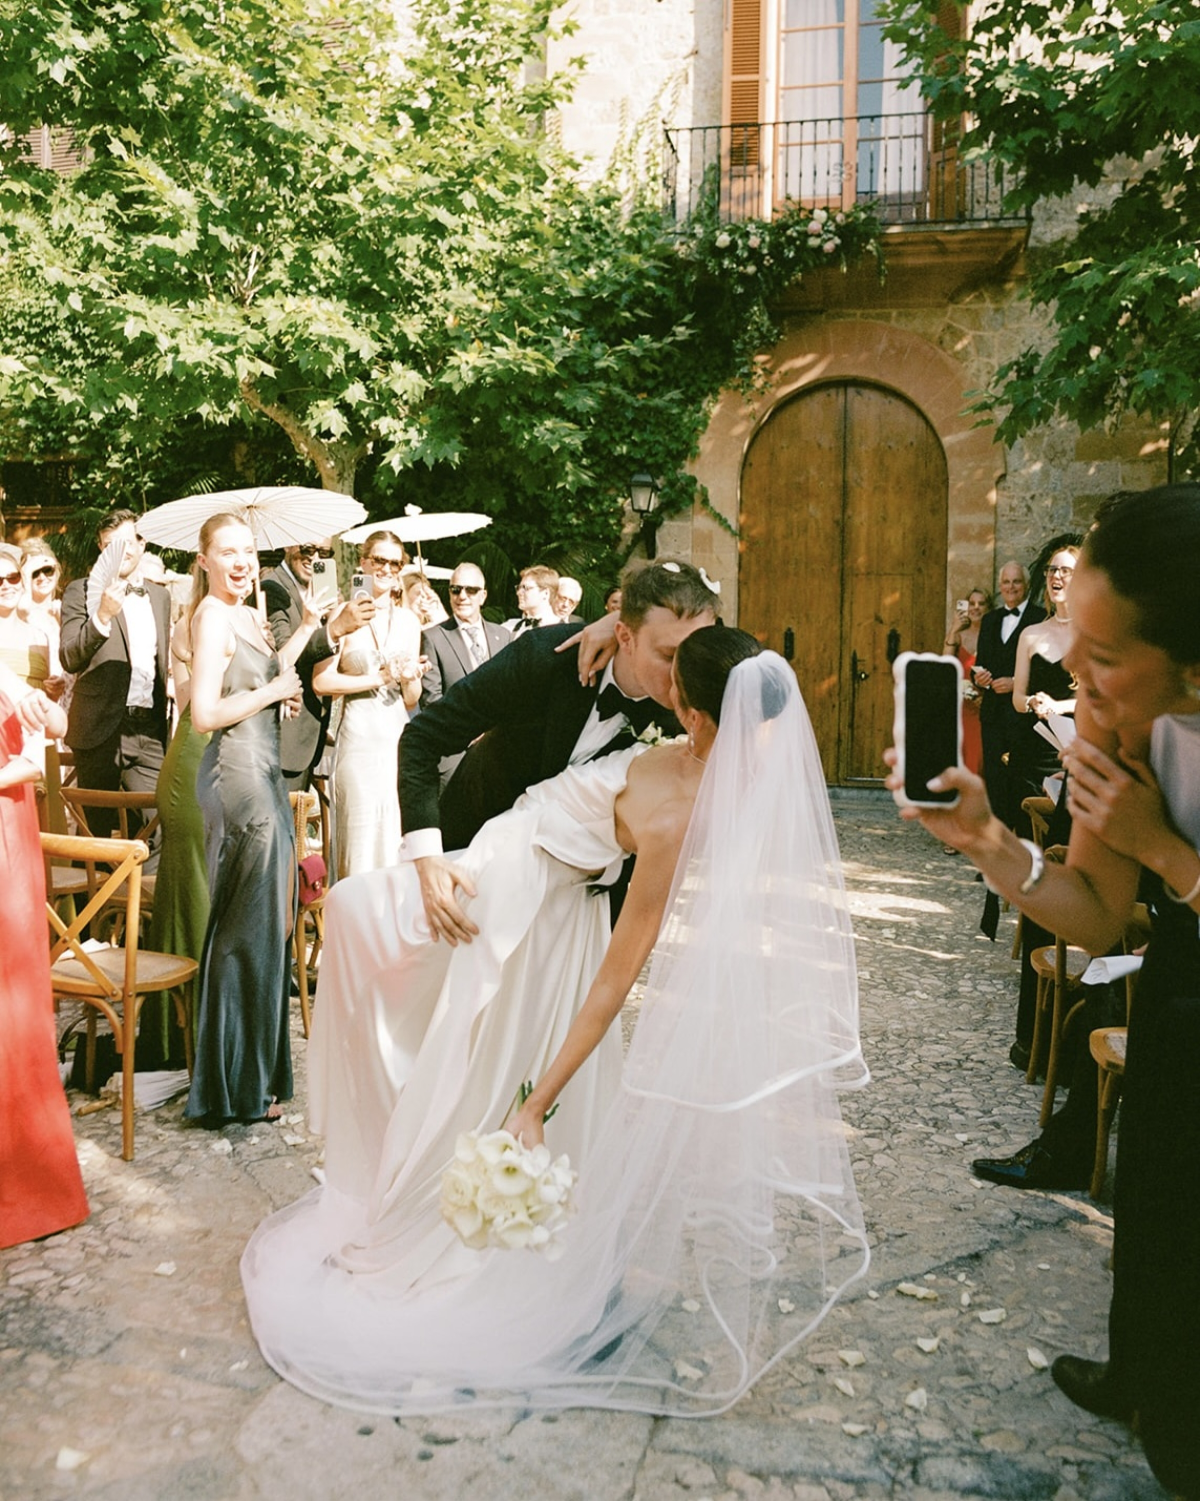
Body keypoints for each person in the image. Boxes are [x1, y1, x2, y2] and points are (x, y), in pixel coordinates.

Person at [242, 629, 868, 1415]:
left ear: (696, 712)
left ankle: (452, 1219)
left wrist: (540, 1100)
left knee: (403, 974)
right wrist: (612, 621)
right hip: (521, 862)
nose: (664, 685)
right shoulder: (703, 749)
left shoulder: (684, 817)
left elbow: (616, 977)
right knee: (391, 959)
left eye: (676, 683)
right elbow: (672, 629)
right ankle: (412, 1177)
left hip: (529, 895)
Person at [885, 483, 1200, 1499]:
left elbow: (1149, 867)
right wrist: (985, 838)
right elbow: (1097, 913)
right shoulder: (1116, 717)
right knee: (1158, 1188)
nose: (1074, 673)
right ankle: (1144, 1374)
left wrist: (1168, 854)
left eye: (1102, 655)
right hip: (1186, 972)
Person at [398, 559, 718, 938]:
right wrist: (427, 859)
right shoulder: (544, 658)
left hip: (584, 905)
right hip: (470, 867)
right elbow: (423, 737)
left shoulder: (693, 712)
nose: (685, 673)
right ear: (625, 637)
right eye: (668, 655)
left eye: (692, 655)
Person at [184, 514, 312, 1126]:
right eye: (228, 552)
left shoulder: (244, 614)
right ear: (204, 560)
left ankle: (252, 1080)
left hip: (266, 775)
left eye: (249, 551)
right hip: (238, 780)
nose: (241, 562)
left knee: (268, 928)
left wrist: (292, 655)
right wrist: (270, 693)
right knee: (246, 932)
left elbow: (258, 681)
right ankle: (234, 1090)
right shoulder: (211, 616)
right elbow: (203, 713)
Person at [0, 665, 90, 1248]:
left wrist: (43, 706)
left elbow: (51, 734)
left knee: (14, 1013)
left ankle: (32, 1185)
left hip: (6, 839)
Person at [312, 531, 424, 879]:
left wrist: (410, 677)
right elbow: (322, 682)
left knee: (395, 841)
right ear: (363, 562)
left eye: (395, 563)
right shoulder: (342, 614)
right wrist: (379, 677)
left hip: (397, 740)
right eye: (379, 560)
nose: (387, 569)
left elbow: (411, 698)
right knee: (359, 845)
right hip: (358, 741)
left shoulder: (409, 621)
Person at [59, 510, 172, 844]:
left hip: (148, 731)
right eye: (110, 546)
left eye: (126, 542)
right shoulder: (79, 591)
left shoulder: (160, 597)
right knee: (94, 835)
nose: (120, 552)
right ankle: (92, 882)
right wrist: (102, 617)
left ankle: (142, 882)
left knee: (157, 829)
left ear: (142, 543)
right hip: (99, 730)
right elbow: (69, 657)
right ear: (100, 548)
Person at [141, 605, 210, 1069]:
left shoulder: (247, 619)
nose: (244, 570)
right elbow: (191, 702)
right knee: (194, 894)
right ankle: (185, 1033)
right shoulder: (193, 622)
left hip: (228, 762)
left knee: (205, 892)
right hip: (194, 760)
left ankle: (189, 1029)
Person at [260, 541, 371, 793]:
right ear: (288, 546)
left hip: (310, 735)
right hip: (283, 738)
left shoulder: (318, 594)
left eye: (324, 553)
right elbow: (284, 656)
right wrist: (333, 629)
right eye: (308, 550)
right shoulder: (272, 588)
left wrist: (330, 618)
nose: (315, 558)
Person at [972, 560, 1046, 830]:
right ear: (1000, 586)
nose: (1011, 587)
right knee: (995, 782)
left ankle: (1025, 844)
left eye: (1016, 581)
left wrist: (1016, 683)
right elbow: (980, 663)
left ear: (1026, 586)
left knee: (1021, 781)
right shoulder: (990, 620)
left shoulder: (1040, 618)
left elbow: (1047, 670)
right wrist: (978, 678)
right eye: (1006, 582)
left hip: (1024, 718)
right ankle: (998, 846)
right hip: (993, 716)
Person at [1009, 545, 1079, 822]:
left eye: (1065, 570)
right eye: (1052, 570)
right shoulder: (1030, 634)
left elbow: (1102, 700)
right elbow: (1017, 698)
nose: (1055, 576)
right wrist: (1031, 701)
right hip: (1031, 751)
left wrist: (1058, 707)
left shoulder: (1092, 633)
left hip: (1072, 751)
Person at [419, 562, 511, 711]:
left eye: (471, 590)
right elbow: (432, 701)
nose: (462, 596)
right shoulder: (433, 638)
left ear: (483, 596)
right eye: (456, 590)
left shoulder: (503, 636)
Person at [943, 587, 990, 775]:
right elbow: (945, 664)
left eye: (981, 604)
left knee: (977, 759)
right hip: (960, 707)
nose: (976, 608)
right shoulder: (959, 636)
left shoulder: (993, 635)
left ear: (988, 608)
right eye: (972, 603)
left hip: (983, 706)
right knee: (958, 758)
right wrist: (954, 628)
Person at [503, 564, 559, 636]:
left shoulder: (562, 630)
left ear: (545, 593)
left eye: (526, 588)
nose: (518, 593)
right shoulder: (508, 628)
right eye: (519, 588)